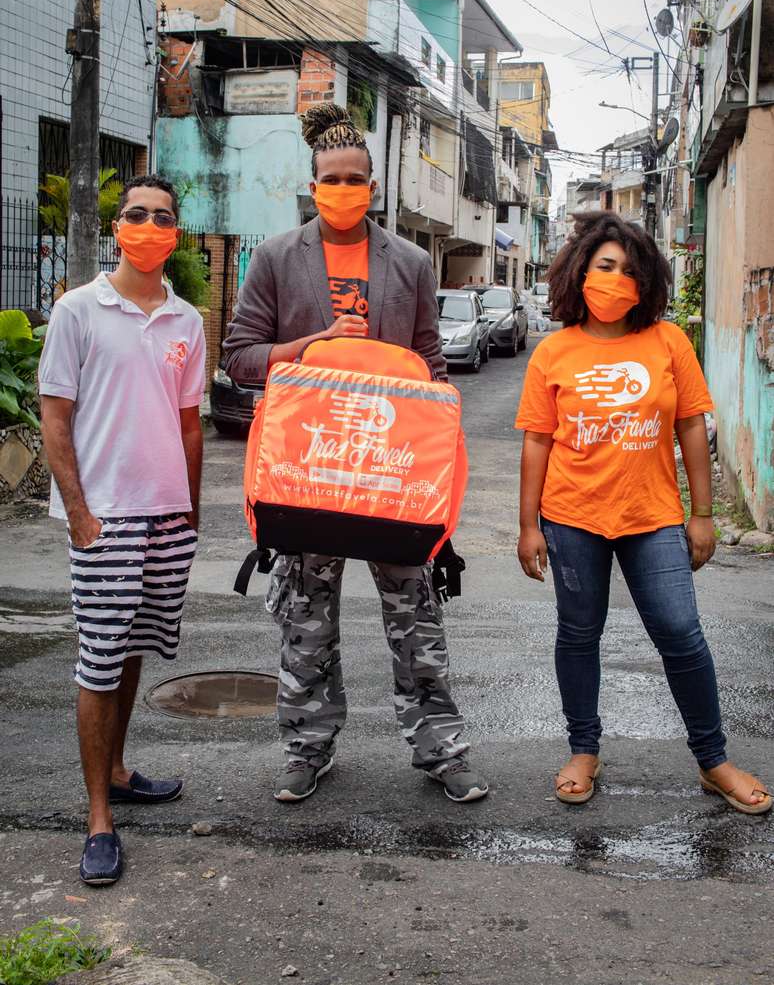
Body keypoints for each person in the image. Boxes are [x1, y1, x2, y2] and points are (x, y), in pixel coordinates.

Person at [223, 102, 487, 805]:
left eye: (356, 178)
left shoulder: (407, 262)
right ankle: (306, 748)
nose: (343, 187)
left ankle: (441, 750)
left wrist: (435, 459)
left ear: (374, 183)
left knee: (417, 616)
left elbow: (432, 363)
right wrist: (308, 346)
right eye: (330, 177)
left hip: (391, 475)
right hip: (307, 474)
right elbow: (241, 357)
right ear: (312, 183)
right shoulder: (279, 257)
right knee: (305, 622)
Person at [515, 212, 771, 815]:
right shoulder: (553, 352)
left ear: (646, 279)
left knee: (681, 633)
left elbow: (689, 425)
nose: (615, 279)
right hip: (572, 516)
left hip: (653, 515)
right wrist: (529, 526)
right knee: (579, 635)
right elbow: (536, 441)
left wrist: (701, 513)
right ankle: (584, 750)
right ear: (581, 271)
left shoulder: (667, 342)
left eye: (629, 270)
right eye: (605, 266)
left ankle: (714, 762)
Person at [39, 175, 206, 886]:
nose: (148, 225)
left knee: (135, 647)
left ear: (175, 231)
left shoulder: (186, 321)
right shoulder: (78, 310)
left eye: (161, 216)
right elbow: (54, 418)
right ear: (117, 227)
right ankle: (99, 817)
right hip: (103, 516)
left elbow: (190, 423)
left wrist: (191, 512)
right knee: (98, 661)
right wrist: (80, 514)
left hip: (166, 516)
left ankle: (119, 769)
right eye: (136, 214)